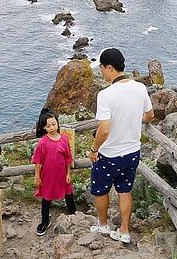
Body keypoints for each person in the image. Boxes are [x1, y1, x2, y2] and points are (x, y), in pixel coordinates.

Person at [88, 48, 155, 244]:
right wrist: (135, 118)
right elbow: (150, 116)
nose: (101, 71)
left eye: (101, 67)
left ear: (110, 67)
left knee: (100, 190)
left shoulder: (106, 95)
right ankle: (124, 231)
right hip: (132, 152)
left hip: (109, 154)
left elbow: (104, 130)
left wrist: (94, 149)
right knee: (125, 190)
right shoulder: (140, 88)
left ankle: (103, 224)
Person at [32, 109, 76, 236]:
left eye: (53, 124)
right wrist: (37, 177)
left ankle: (74, 214)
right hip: (47, 176)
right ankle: (45, 221)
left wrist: (68, 173)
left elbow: (68, 158)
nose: (51, 127)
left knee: (68, 194)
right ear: (44, 128)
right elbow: (37, 161)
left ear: (57, 123)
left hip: (62, 174)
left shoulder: (64, 139)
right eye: (48, 126)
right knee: (46, 198)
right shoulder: (43, 142)